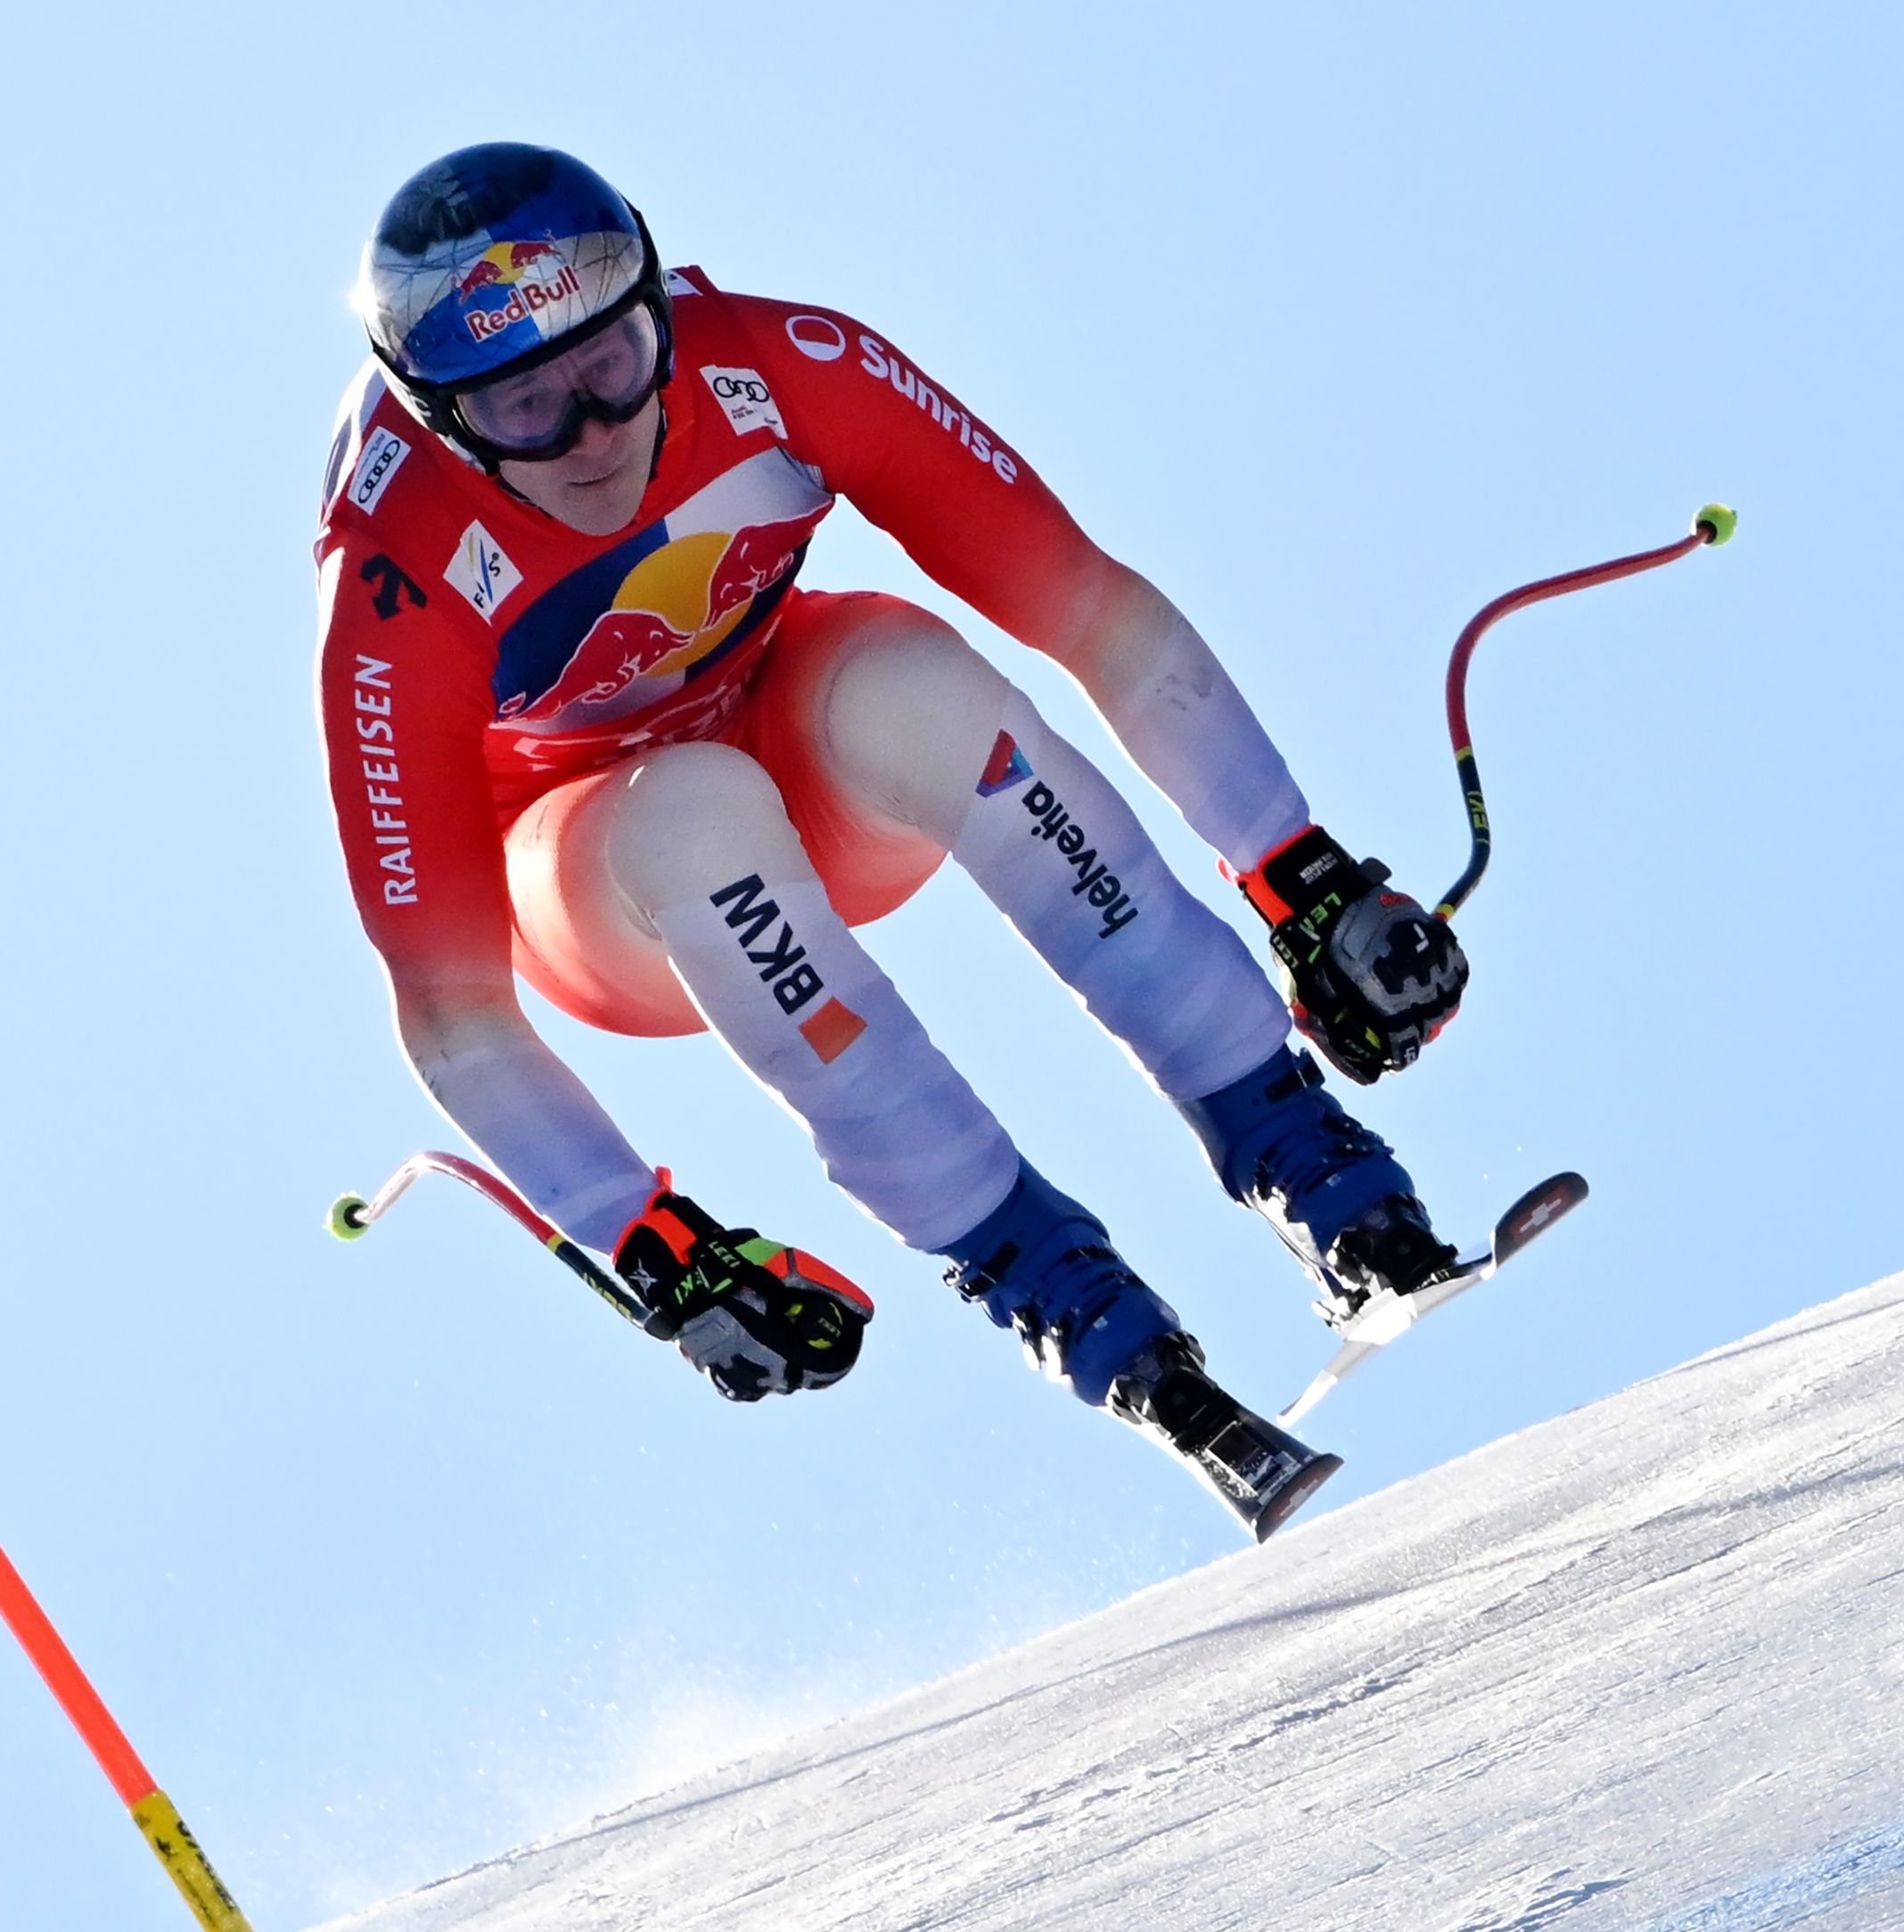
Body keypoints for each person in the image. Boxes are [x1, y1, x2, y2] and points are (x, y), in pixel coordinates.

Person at [312, 143, 1471, 1534]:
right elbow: (452, 1012)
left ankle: (1312, 1159)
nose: (594, 433)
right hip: (608, 882)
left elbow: (1086, 607)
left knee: (917, 680)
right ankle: (1074, 1305)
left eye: (613, 363)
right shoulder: (394, 578)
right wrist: (651, 1238)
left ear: (656, 308)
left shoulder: (777, 363)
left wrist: (1296, 865)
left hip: (806, 743)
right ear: (442, 419)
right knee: (694, 815)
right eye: (526, 403)